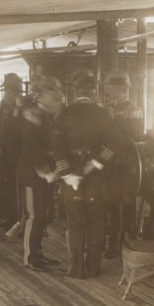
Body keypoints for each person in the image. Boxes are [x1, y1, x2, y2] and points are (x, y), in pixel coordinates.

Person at [53, 71, 119, 279]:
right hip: (96, 177)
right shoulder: (102, 114)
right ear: (94, 92)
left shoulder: (63, 114)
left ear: (74, 91)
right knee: (96, 221)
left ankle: (76, 268)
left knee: (75, 223)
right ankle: (93, 267)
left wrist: (66, 174)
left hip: (71, 174)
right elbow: (115, 143)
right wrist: (97, 162)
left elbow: (57, 148)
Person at [16, 75, 65, 272]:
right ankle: (30, 257)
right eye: (53, 93)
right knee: (34, 216)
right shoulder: (33, 116)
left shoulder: (47, 116)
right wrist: (45, 173)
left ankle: (37, 253)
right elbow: (31, 149)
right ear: (41, 95)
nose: (57, 97)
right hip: (33, 174)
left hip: (47, 173)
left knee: (43, 215)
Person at [103, 69, 144, 258]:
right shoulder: (110, 108)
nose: (106, 89)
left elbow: (130, 140)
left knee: (123, 206)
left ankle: (123, 245)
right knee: (113, 207)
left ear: (120, 89)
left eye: (109, 86)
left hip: (125, 166)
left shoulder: (132, 110)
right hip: (113, 163)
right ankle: (117, 245)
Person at [0, 73, 24, 231]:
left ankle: (16, 219)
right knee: (6, 184)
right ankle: (9, 217)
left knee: (15, 186)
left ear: (15, 93)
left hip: (16, 152)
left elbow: (16, 130)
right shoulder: (4, 106)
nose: (5, 94)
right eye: (5, 91)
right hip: (6, 151)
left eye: (8, 92)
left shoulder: (19, 108)